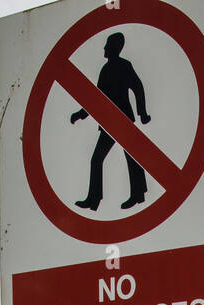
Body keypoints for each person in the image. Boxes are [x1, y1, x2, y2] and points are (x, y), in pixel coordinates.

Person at [70, 32, 151, 211]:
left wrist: (142, 112)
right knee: (97, 159)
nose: (104, 48)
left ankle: (137, 195)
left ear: (114, 47)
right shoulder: (105, 70)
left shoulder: (124, 66)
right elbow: (96, 98)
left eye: (107, 45)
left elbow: (138, 88)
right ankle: (94, 199)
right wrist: (80, 114)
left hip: (122, 120)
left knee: (132, 157)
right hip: (109, 123)